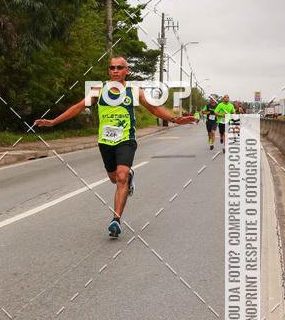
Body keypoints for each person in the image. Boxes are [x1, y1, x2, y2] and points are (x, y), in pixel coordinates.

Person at [34, 57, 195, 237]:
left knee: (121, 176)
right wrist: (54, 122)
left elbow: (154, 109)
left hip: (126, 139)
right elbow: (78, 107)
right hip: (105, 141)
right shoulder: (99, 90)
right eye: (112, 68)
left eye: (119, 67)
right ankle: (128, 178)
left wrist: (175, 119)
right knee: (113, 178)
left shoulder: (134, 91)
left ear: (127, 70)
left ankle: (116, 220)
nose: (115, 70)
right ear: (109, 71)